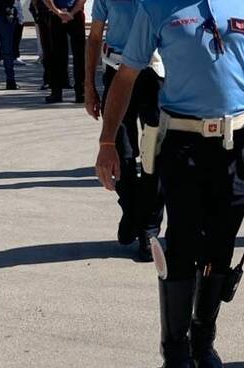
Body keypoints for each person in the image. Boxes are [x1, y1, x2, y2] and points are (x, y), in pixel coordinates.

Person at [94, 0, 244, 366]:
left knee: (221, 243)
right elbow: (127, 74)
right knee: (182, 242)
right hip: (183, 143)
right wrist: (107, 142)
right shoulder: (156, 6)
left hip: (238, 143)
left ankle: (202, 339)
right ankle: (176, 349)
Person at [85, 0, 165, 261]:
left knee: (155, 156)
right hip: (117, 72)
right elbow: (95, 36)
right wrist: (88, 85)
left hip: (154, 75)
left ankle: (149, 229)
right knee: (121, 153)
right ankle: (131, 208)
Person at [43, 0, 85, 103]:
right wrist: (58, 12)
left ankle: (81, 92)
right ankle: (56, 92)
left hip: (76, 14)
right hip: (55, 14)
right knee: (56, 55)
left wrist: (72, 13)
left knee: (80, 55)